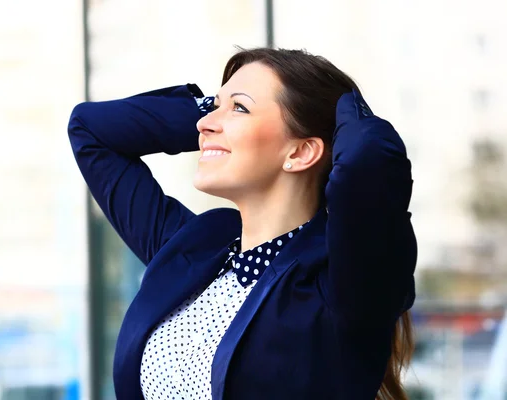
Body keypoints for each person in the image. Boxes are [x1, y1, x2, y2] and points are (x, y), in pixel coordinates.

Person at [68, 48, 417, 400]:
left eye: (239, 107)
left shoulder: (343, 285)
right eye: (213, 107)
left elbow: (366, 167)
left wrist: (353, 115)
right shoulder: (195, 250)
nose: (205, 124)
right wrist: (211, 116)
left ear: (300, 152)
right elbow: (91, 131)